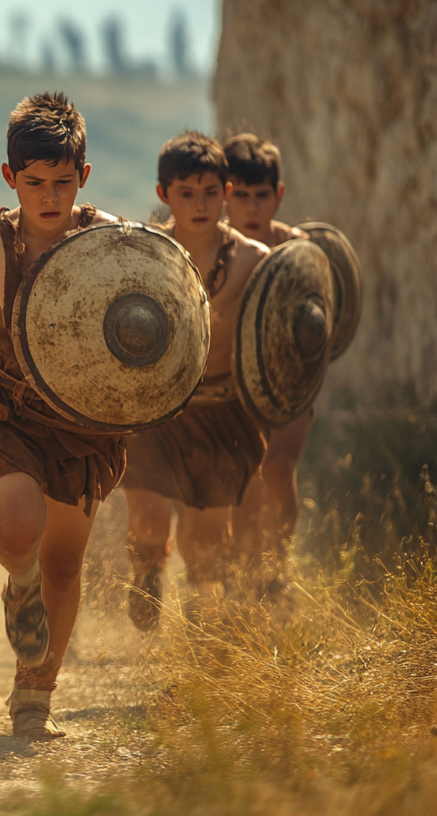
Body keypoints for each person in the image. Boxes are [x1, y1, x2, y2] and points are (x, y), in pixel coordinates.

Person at [0, 91, 122, 740]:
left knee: (64, 564)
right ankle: (15, 584)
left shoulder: (106, 238)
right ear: (11, 179)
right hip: (11, 410)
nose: (48, 197)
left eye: (60, 183)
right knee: (17, 529)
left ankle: (35, 696)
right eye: (34, 184)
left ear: (82, 177)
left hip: (83, 422)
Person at [121, 133, 270, 630]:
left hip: (223, 408)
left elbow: (278, 340)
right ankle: (147, 572)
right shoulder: (145, 255)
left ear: (226, 190)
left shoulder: (253, 260)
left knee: (205, 540)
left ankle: (204, 632)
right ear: (164, 194)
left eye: (210, 191)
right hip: (156, 409)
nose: (200, 203)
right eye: (187, 192)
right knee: (146, 520)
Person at [222, 134, 309, 603]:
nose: (251, 207)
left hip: (290, 381)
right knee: (244, 483)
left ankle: (278, 568)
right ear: (224, 197)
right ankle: (242, 580)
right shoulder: (218, 253)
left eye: (261, 195)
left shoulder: (299, 251)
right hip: (232, 387)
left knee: (277, 469)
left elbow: (318, 323)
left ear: (278, 195)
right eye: (240, 195)